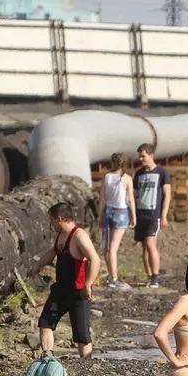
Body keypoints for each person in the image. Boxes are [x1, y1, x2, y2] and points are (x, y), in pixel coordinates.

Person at [34, 202, 101, 357]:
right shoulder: (61, 235)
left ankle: (87, 365)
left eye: (51, 220)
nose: (51, 224)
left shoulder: (79, 236)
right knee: (45, 323)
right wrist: (37, 265)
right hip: (61, 289)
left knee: (81, 335)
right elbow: (53, 252)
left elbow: (95, 259)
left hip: (79, 292)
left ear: (59, 219)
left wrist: (88, 284)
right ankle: (47, 358)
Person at [133, 143, 171, 287]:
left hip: (153, 214)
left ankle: (155, 277)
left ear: (151, 155)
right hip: (140, 213)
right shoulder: (139, 174)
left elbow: (167, 194)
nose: (141, 159)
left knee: (150, 244)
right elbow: (135, 194)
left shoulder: (162, 173)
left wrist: (164, 215)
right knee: (144, 246)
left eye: (143, 156)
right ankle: (149, 276)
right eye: (139, 156)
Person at [99, 152, 137, 290]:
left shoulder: (107, 177)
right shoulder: (127, 178)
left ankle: (111, 276)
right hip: (121, 212)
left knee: (107, 248)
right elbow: (131, 199)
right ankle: (114, 278)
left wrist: (99, 216)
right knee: (113, 248)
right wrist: (134, 216)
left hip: (108, 211)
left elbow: (102, 199)